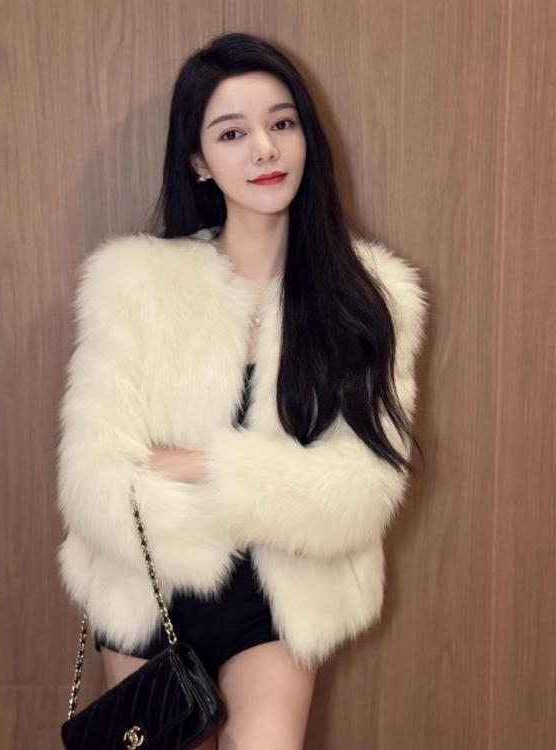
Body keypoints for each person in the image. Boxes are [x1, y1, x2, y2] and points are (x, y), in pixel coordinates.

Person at [56, 31, 428, 750]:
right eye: (232, 133)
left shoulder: (371, 297)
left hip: (276, 599)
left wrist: (208, 468)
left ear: (306, 136)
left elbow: (365, 487)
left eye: (281, 123)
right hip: (152, 586)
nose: (264, 149)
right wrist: (282, 487)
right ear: (199, 160)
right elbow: (96, 476)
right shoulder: (133, 284)